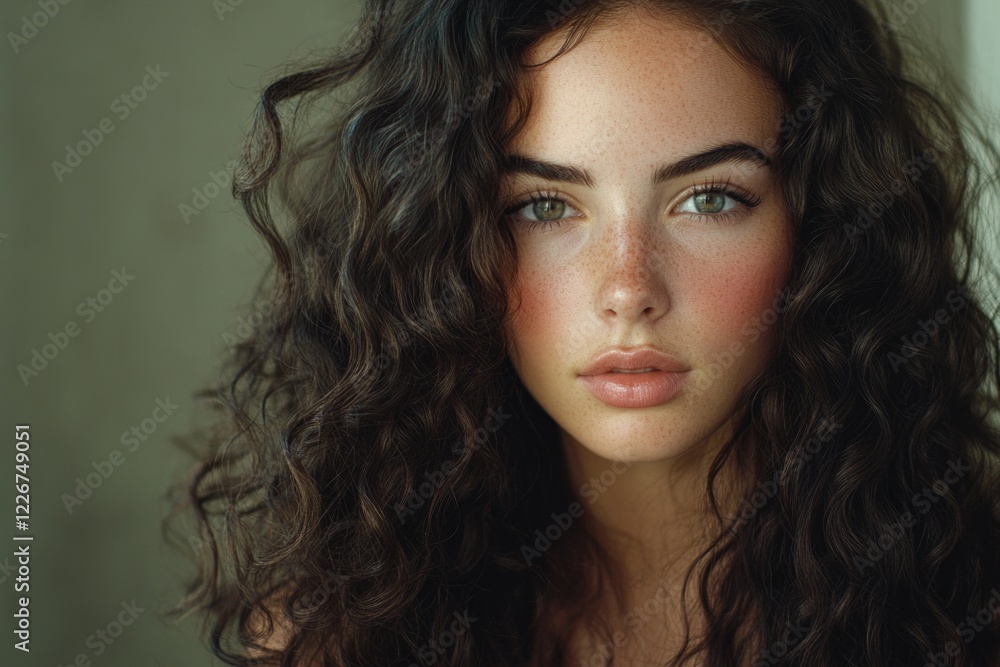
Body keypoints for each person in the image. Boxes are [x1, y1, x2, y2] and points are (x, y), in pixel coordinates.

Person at [163, 0, 1000, 665]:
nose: (629, 289)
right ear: (446, 247)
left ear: (820, 228)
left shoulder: (965, 605)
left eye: (710, 198)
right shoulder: (343, 628)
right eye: (544, 207)